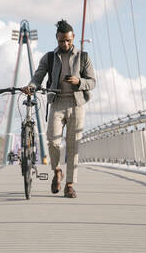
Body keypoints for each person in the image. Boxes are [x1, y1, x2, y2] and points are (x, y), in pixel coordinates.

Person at [22, 19, 96, 198]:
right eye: (62, 40)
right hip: (56, 103)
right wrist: (31, 86)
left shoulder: (83, 57)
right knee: (53, 142)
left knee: (73, 147)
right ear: (57, 38)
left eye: (69, 40)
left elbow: (92, 82)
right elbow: (38, 75)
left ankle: (69, 185)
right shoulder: (49, 57)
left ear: (73, 38)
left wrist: (79, 82)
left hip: (76, 104)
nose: (65, 44)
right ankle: (57, 171)